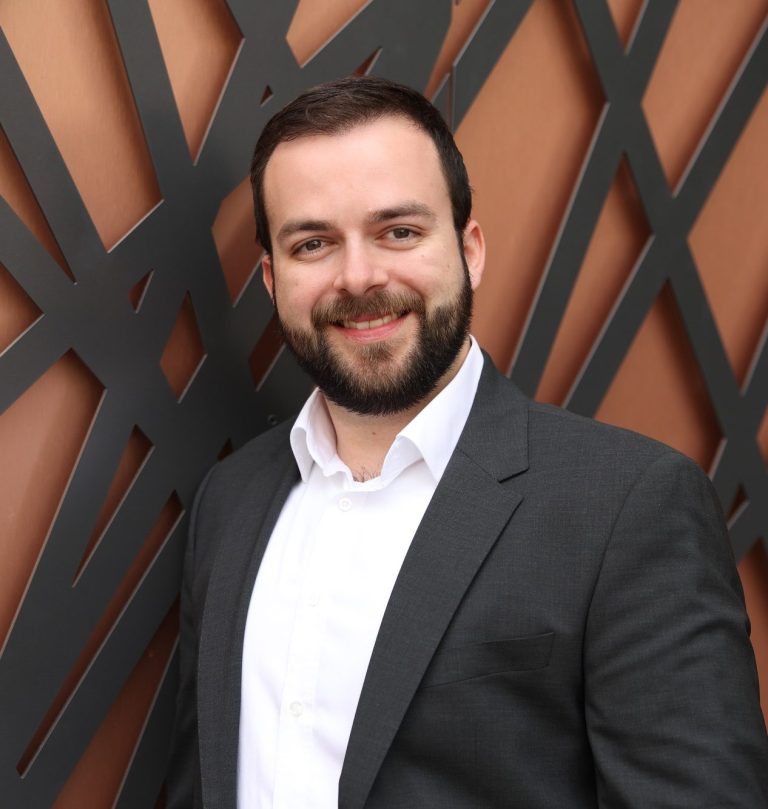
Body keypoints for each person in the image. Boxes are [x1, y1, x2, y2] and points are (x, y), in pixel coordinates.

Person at [167, 76, 768, 808]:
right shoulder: (228, 502)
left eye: (398, 232)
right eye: (313, 243)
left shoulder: (628, 507)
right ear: (272, 278)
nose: (358, 277)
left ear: (470, 249)